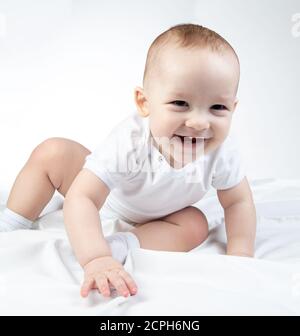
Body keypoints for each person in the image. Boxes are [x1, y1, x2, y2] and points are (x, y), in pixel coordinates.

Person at [0, 23, 256, 299]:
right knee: (52, 152)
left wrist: (240, 257)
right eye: (180, 103)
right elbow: (82, 197)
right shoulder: (130, 140)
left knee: (196, 224)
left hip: (164, 216)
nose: (198, 122)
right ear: (144, 102)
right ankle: (12, 223)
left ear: (233, 108)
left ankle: (122, 244)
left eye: (218, 107)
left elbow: (238, 202)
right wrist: (95, 258)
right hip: (108, 197)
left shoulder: (222, 150)